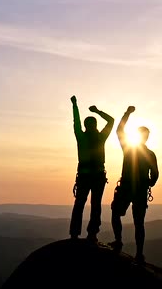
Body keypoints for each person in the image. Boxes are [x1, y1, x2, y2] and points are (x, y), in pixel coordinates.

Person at [109, 106, 159, 263]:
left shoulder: (128, 149)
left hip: (126, 186)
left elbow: (119, 131)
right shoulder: (150, 154)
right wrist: (148, 183)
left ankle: (118, 241)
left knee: (116, 212)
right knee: (139, 222)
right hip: (140, 189)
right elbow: (155, 174)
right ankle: (139, 254)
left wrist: (127, 114)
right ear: (147, 137)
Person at [69, 95, 115, 243]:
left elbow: (76, 121)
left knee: (79, 204)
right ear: (95, 125)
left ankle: (75, 234)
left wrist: (75, 105)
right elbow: (111, 121)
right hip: (98, 176)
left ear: (85, 125)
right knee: (96, 205)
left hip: (83, 176)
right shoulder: (101, 137)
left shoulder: (81, 137)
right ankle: (92, 234)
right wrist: (97, 111)